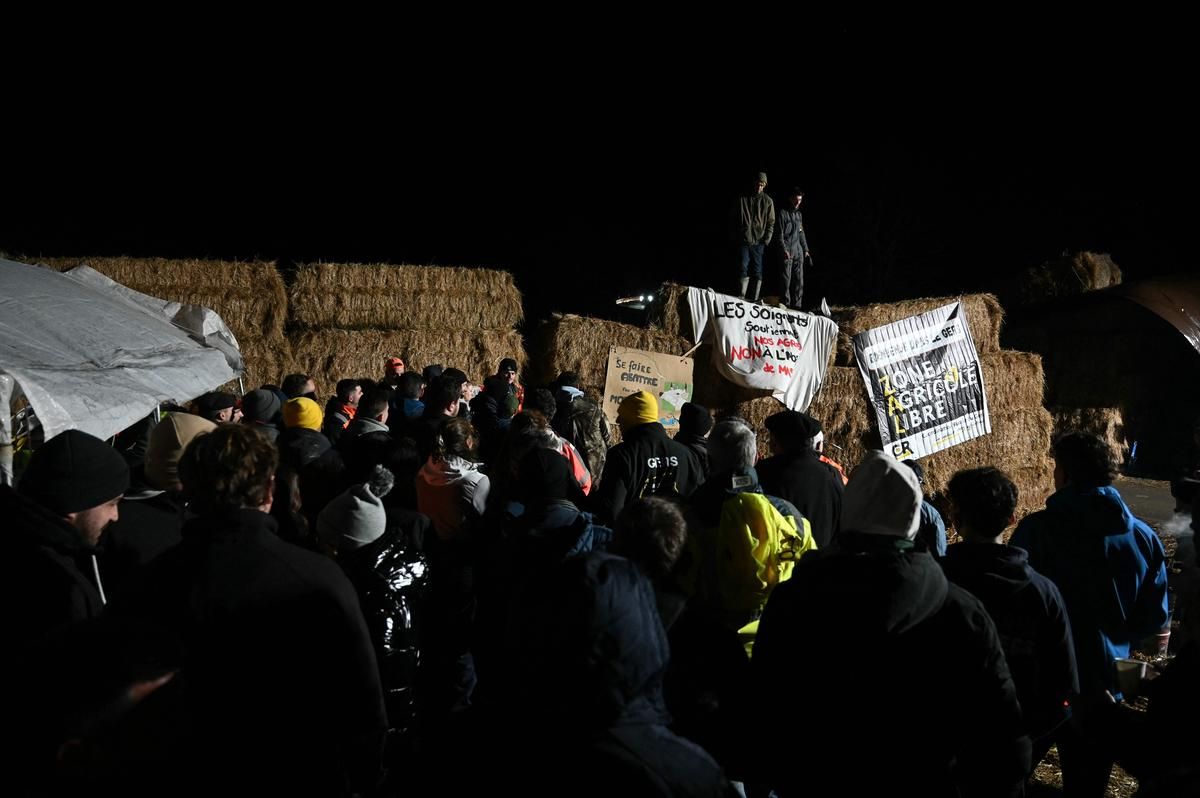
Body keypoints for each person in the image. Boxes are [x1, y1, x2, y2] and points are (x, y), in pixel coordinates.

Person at [111, 424, 387, 795]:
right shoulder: (317, 579)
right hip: (299, 772)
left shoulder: (151, 584)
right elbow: (362, 704)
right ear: (271, 490)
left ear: (188, 489)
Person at [751, 451, 1031, 797]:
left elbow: (762, 713)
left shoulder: (793, 601)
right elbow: (1003, 735)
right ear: (914, 520)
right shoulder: (961, 611)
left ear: (848, 512)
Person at [1010, 431, 1169, 795]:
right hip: (1102, 685)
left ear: (1063, 472)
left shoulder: (1036, 531)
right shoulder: (1143, 538)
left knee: (1009, 780)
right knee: (1087, 786)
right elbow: (1151, 620)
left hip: (1038, 681)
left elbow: (1013, 602)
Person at [942, 466, 1078, 772]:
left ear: (956, 519)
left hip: (940, 745)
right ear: (1012, 519)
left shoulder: (933, 581)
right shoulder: (1044, 593)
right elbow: (1063, 686)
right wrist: (1025, 740)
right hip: (1009, 747)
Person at [1, 429, 129, 645]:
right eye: (112, 503)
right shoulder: (54, 587)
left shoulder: (30, 543)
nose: (115, 516)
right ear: (76, 502)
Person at [731, 171, 775, 301]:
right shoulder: (742, 198)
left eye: (762, 185)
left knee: (757, 270)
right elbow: (734, 218)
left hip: (759, 241)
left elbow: (771, 222)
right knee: (743, 266)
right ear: (754, 183)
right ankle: (741, 296)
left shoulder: (768, 201)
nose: (759, 187)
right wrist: (735, 236)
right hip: (744, 240)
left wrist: (766, 240)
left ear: (764, 185)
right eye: (758, 184)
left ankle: (754, 298)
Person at [775, 187, 812, 310]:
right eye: (796, 200)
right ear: (790, 199)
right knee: (786, 280)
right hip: (787, 250)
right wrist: (783, 249)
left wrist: (806, 249)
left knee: (799, 281)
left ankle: (797, 306)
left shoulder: (799, 214)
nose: (798, 203)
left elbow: (801, 233)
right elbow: (779, 234)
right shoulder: (782, 213)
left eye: (800, 200)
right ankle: (786, 304)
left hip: (798, 251)